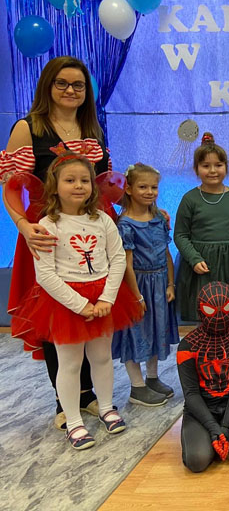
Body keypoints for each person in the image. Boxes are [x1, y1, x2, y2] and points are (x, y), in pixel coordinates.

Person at [1, 55, 111, 429]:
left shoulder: (92, 128)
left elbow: (103, 185)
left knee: (91, 310)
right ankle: (65, 404)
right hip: (45, 235)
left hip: (89, 235)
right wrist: (22, 225)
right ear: (48, 85)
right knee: (58, 315)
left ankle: (89, 396)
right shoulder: (27, 128)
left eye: (78, 85)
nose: (70, 90)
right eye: (61, 83)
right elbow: (11, 187)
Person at [11, 148, 139, 449]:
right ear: (55, 186)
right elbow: (46, 275)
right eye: (70, 180)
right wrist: (81, 305)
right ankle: (74, 421)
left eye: (85, 180)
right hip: (65, 302)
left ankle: (106, 407)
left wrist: (107, 299)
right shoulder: (47, 225)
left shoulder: (103, 220)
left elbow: (117, 260)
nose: (79, 186)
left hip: (103, 298)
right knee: (69, 363)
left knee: (102, 357)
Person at [112, 163, 180, 406]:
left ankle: (152, 378)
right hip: (138, 285)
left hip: (159, 283)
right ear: (129, 189)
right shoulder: (125, 224)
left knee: (155, 331)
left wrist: (170, 284)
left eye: (154, 187)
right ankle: (137, 386)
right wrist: (137, 296)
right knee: (135, 333)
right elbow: (127, 265)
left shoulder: (159, 218)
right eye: (143, 187)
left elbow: (166, 253)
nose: (150, 192)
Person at [177, 281, 229, 472]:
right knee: (197, 461)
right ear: (200, 311)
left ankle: (223, 436)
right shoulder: (187, 346)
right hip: (201, 406)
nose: (219, 315)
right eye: (210, 310)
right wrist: (213, 428)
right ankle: (213, 438)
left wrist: (225, 426)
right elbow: (191, 393)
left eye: (226, 308)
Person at [174, 133, 229, 322]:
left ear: (226, 167)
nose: (212, 171)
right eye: (205, 166)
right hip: (203, 267)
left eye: (218, 165)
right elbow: (180, 235)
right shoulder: (189, 199)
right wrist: (194, 259)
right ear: (196, 169)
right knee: (205, 313)